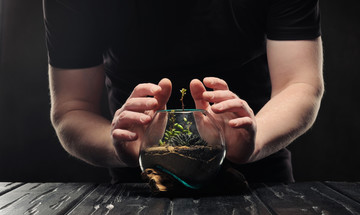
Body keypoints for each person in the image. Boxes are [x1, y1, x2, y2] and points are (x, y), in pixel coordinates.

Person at [43, 0, 324, 184]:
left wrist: (255, 139)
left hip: (259, 182)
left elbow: (299, 84)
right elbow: (73, 108)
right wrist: (124, 146)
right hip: (139, 188)